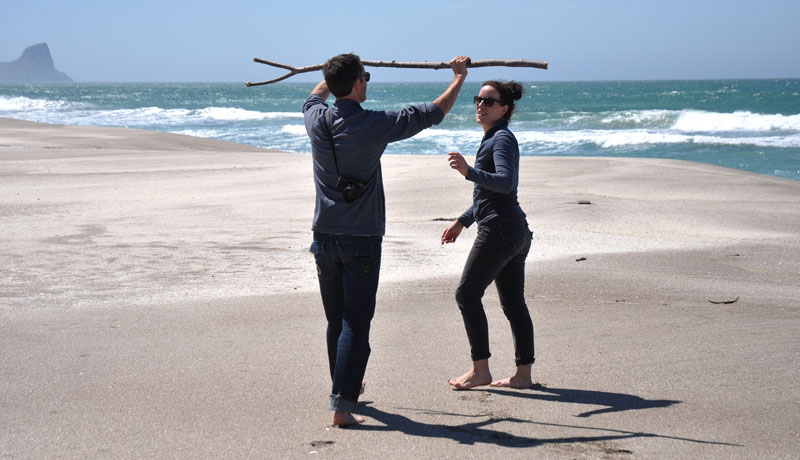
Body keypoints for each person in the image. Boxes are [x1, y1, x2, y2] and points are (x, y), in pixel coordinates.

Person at [303, 53, 470, 426]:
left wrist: (332, 75)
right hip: (360, 238)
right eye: (365, 76)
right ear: (359, 83)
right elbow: (432, 113)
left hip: (324, 235)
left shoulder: (316, 118)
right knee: (355, 323)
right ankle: (343, 406)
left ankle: (344, 389)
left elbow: (315, 96)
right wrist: (459, 79)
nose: (367, 80)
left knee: (337, 321)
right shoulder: (372, 124)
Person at [441, 80, 534, 390]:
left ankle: (480, 370)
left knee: (466, 294)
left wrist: (468, 172)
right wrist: (463, 221)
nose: (481, 105)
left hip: (501, 230)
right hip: (514, 230)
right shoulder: (495, 137)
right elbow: (488, 196)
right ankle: (523, 376)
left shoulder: (502, 139)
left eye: (489, 101)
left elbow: (505, 184)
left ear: (504, 109)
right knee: (512, 303)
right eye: (478, 99)